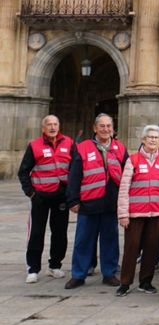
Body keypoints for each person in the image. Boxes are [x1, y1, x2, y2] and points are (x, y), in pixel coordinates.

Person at [65, 113, 128, 289]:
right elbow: (74, 175)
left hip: (111, 203)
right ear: (95, 128)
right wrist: (73, 200)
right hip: (89, 203)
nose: (106, 129)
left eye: (109, 126)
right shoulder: (83, 147)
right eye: (102, 126)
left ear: (113, 128)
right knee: (83, 241)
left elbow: (128, 176)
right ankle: (78, 275)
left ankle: (109, 273)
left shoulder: (120, 148)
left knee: (110, 240)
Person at [116, 125, 159, 296]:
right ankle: (125, 283)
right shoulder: (133, 160)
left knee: (152, 249)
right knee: (131, 249)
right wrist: (123, 214)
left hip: (156, 212)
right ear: (143, 140)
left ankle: (146, 282)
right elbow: (124, 188)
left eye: (156, 137)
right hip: (135, 213)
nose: (153, 140)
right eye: (150, 137)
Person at [19, 115, 73, 284]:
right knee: (36, 232)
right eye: (49, 124)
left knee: (60, 232)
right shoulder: (34, 145)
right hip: (40, 196)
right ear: (43, 128)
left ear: (59, 126)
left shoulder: (69, 143)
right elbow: (23, 171)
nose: (52, 127)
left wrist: (70, 191)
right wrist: (30, 193)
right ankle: (33, 269)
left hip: (61, 195)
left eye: (55, 124)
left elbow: (75, 168)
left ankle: (55, 265)